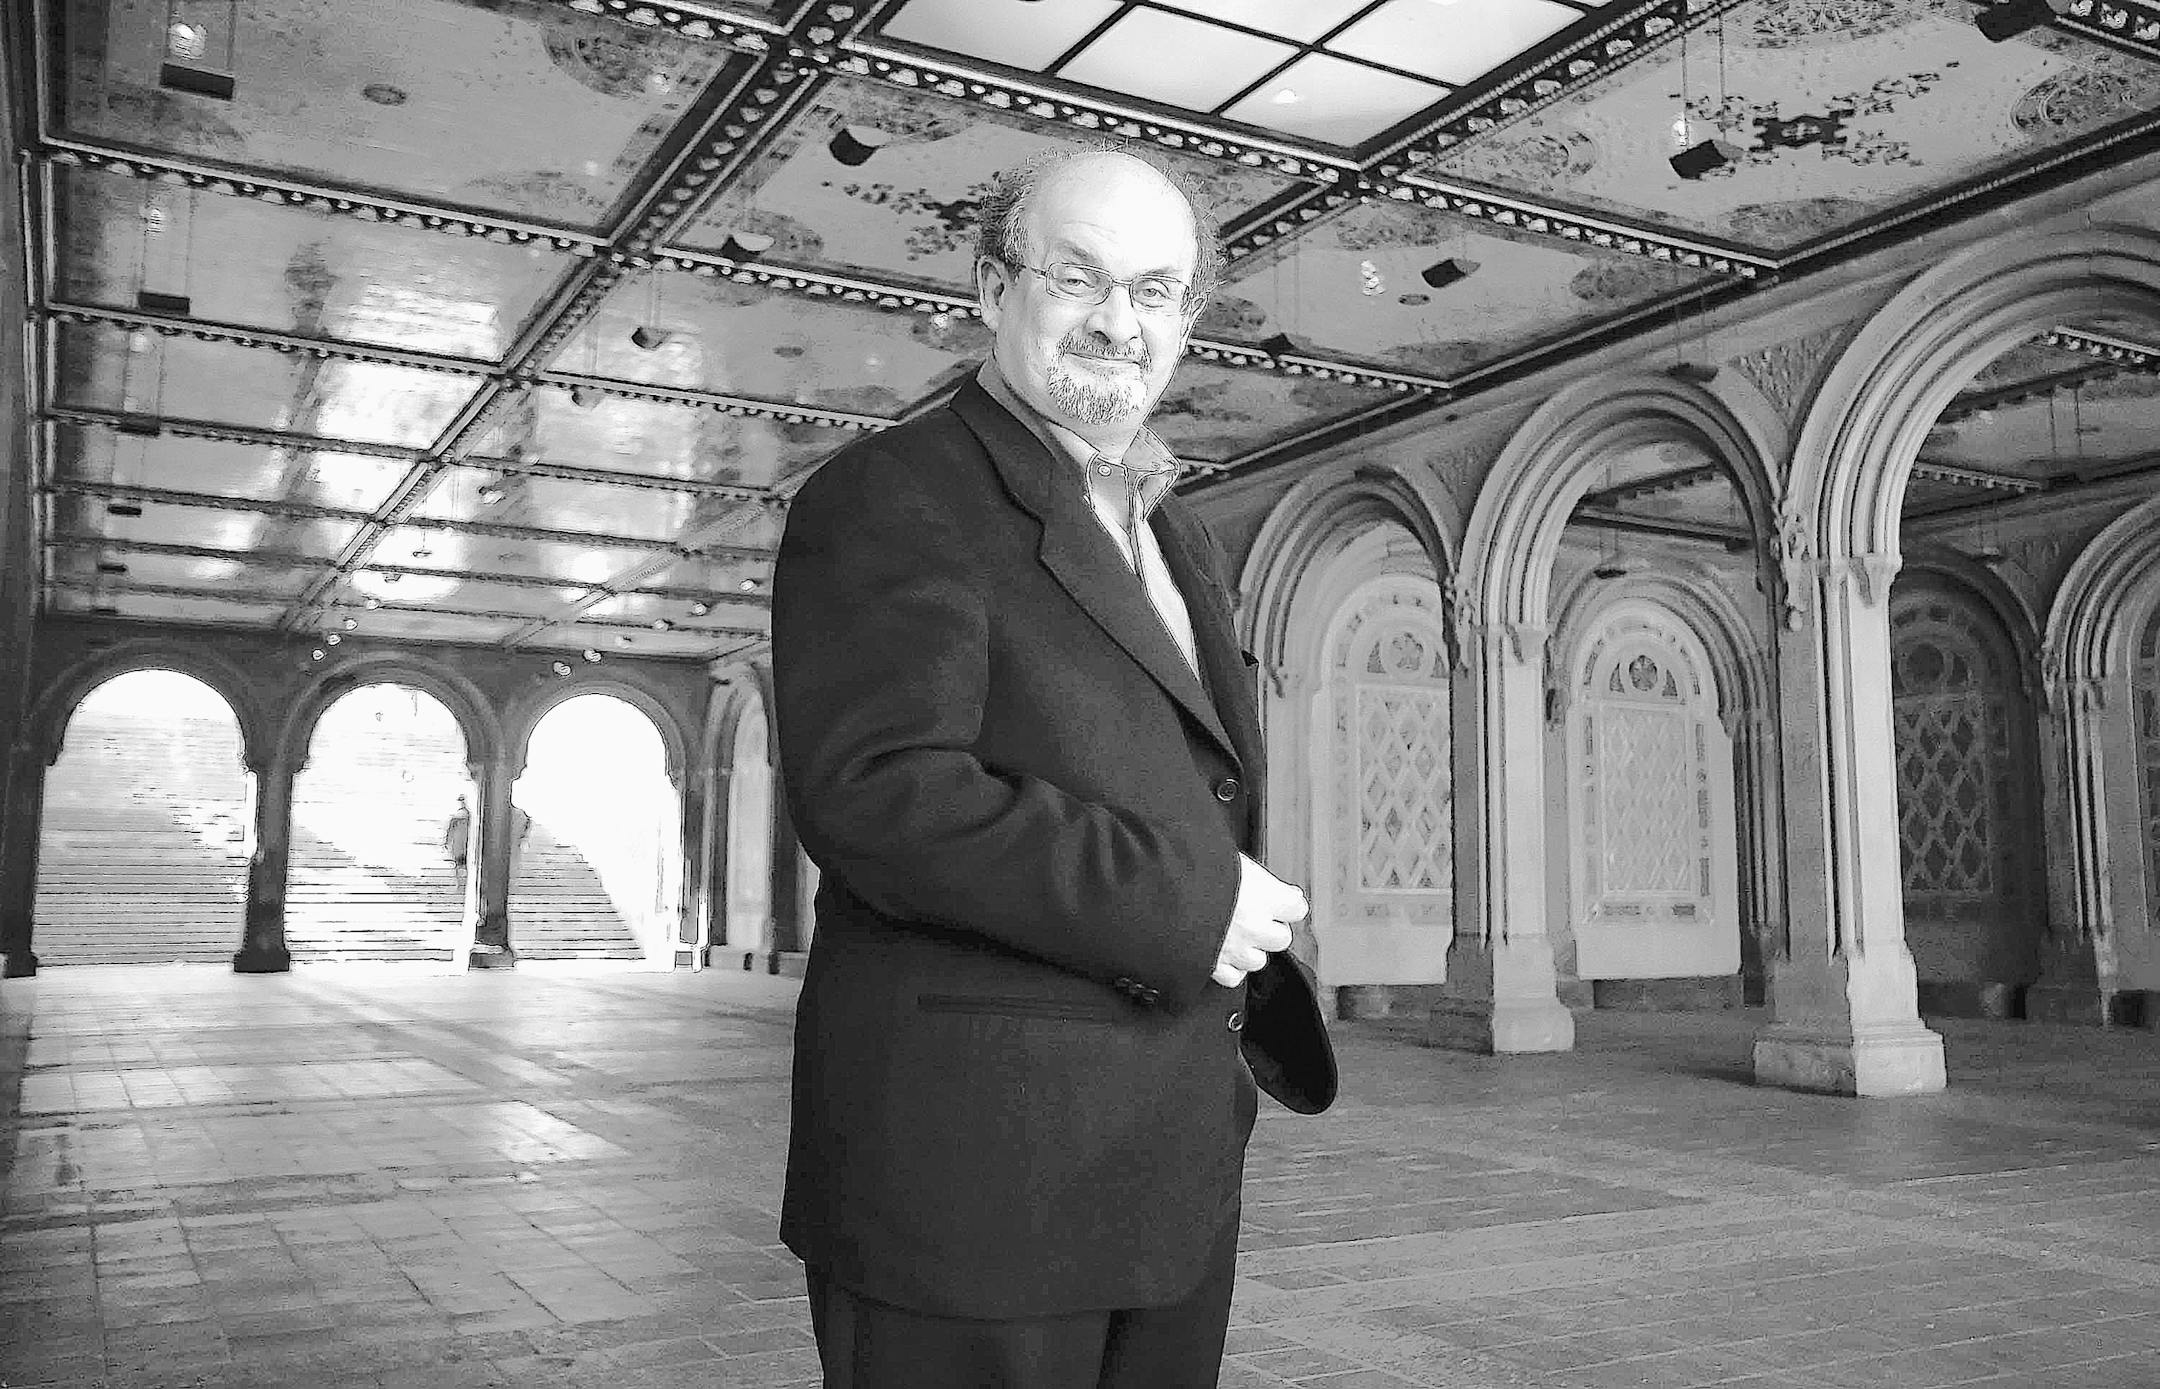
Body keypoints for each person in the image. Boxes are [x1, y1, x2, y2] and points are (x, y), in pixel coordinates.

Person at [770, 143, 1336, 1387]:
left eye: (1153, 290)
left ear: (1188, 318)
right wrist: (1195, 902)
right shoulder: (891, 494)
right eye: (1076, 279)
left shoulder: (1174, 525)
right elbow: (877, 792)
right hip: (974, 1179)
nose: (1116, 322)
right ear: (991, 288)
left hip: (1168, 1162)